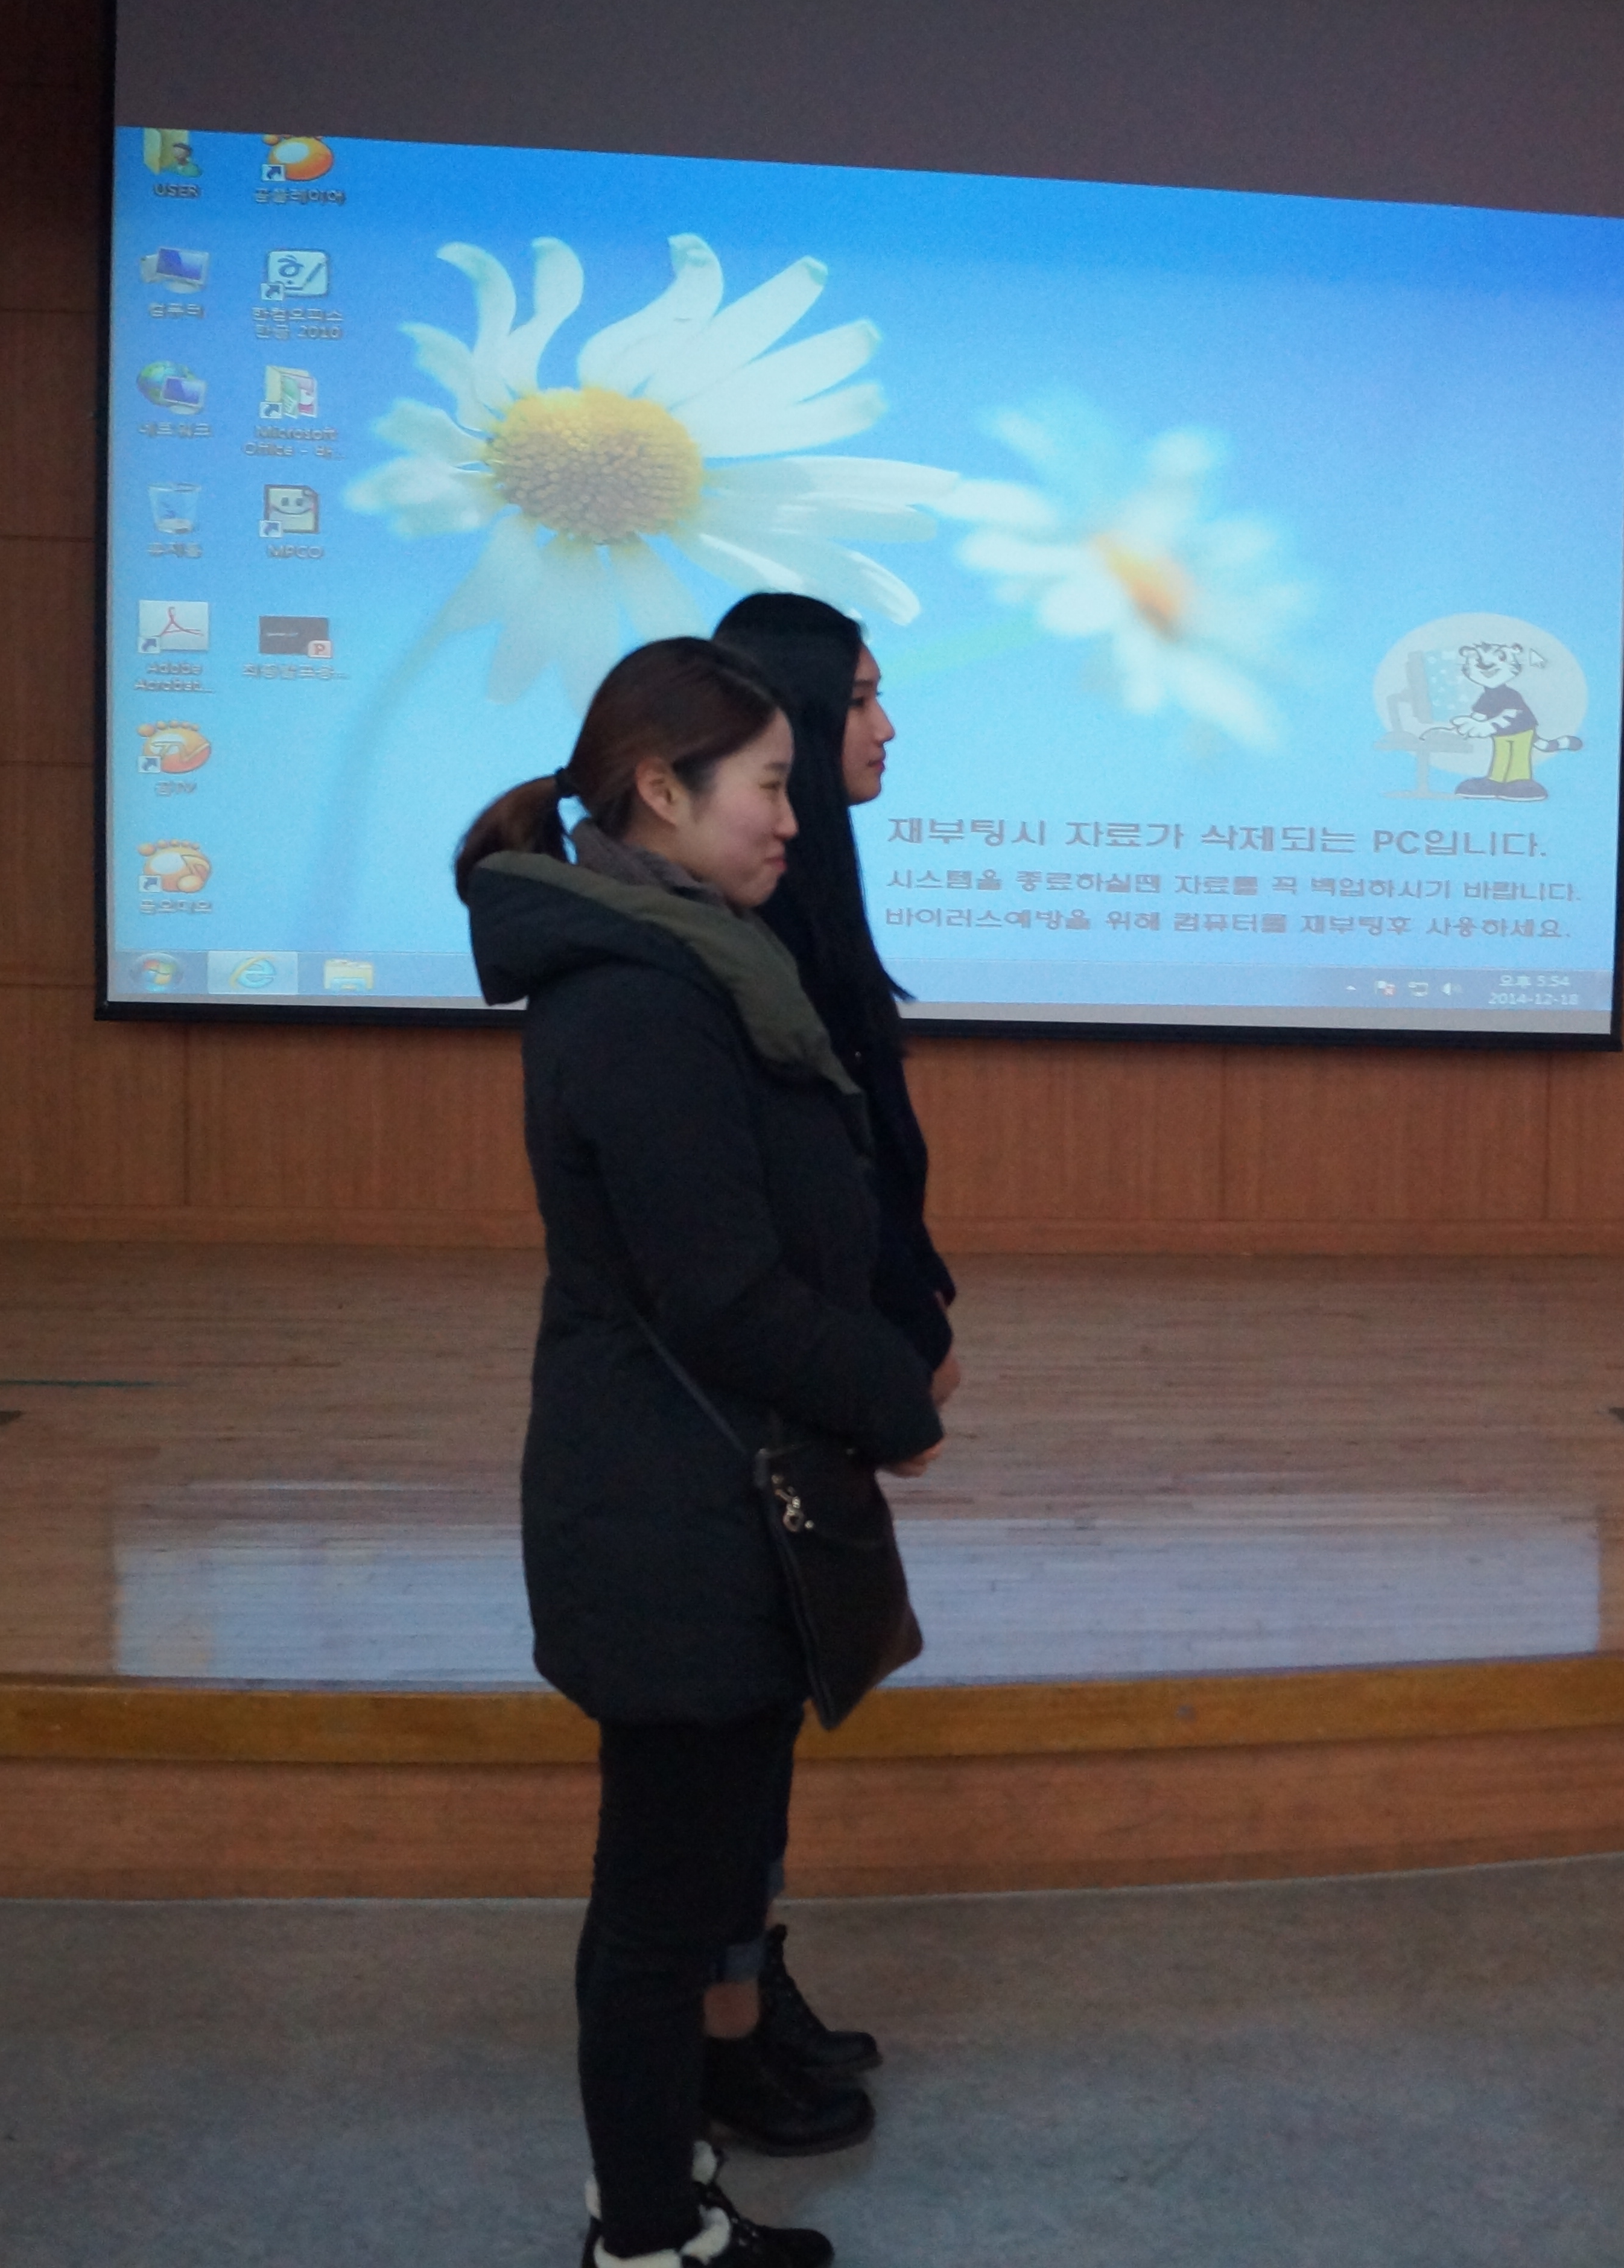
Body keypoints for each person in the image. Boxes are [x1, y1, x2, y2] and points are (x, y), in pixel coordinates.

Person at [455, 638, 947, 2268]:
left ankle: (663, 2210)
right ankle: (647, 2241)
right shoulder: (642, 1001)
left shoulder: (681, 962)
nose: (793, 821)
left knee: (683, 1881)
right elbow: (723, 1291)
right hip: (673, 1507)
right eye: (769, 788)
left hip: (698, 1495)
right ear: (660, 791)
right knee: (662, 1911)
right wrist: (894, 1396)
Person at [698, 590, 962, 2118]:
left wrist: (917, 1312)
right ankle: (721, 2020)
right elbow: (794, 1210)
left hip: (822, 1376)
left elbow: (873, 1161)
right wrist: (886, 1364)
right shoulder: (737, 942)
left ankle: (749, 1984)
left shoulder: (808, 905)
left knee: (774, 1691)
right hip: (763, 1400)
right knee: (735, 1708)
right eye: (859, 696)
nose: (885, 725)